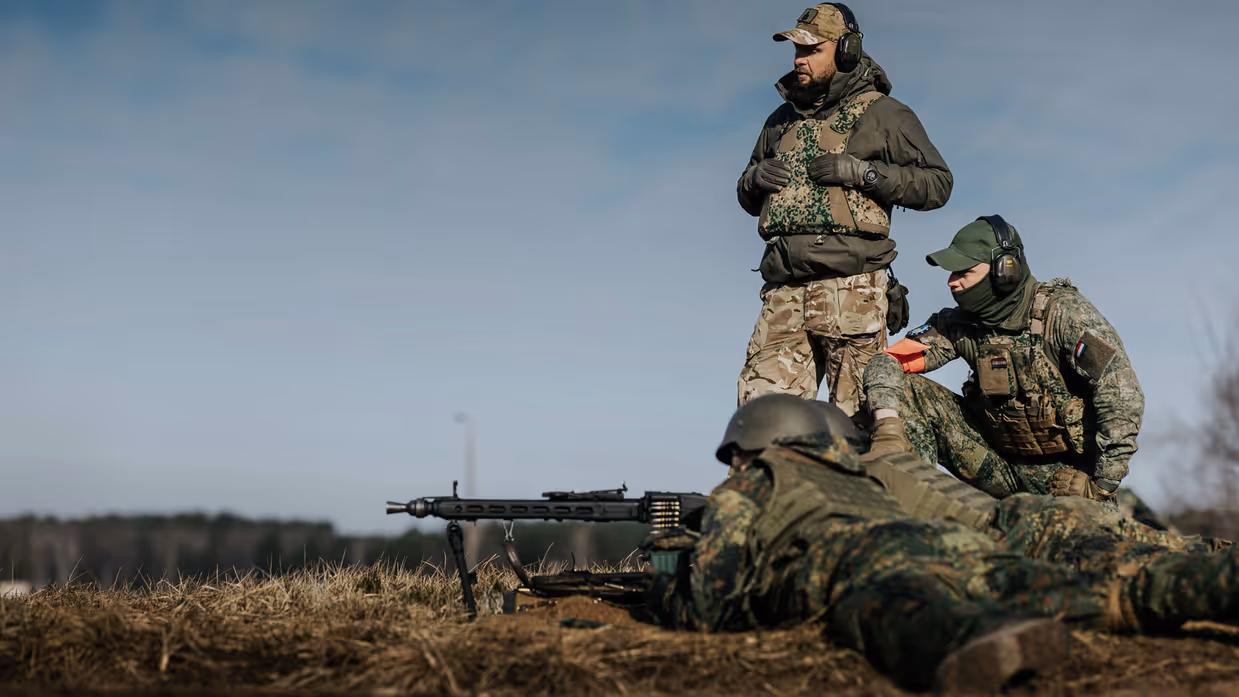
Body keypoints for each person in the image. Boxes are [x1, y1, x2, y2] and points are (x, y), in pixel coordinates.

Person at [647, 396, 1237, 692]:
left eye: (737, 459)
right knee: (1111, 593)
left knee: (899, 611)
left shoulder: (745, 492)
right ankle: (1214, 585)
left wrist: (666, 579)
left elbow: (712, 611)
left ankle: (976, 635)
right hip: (946, 540)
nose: (734, 470)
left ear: (751, 450)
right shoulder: (856, 473)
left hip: (856, 564)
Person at [736, 3, 953, 417]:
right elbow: (746, 196)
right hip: (783, 292)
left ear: (847, 50)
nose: (799, 59)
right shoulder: (780, 120)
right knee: (763, 424)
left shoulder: (885, 114)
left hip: (851, 292)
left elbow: (938, 184)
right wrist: (754, 180)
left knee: (858, 425)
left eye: (811, 50)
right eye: (796, 50)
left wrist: (865, 174)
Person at [862, 215, 1144, 508]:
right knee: (906, 391)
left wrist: (1102, 485)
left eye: (963, 271)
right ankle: (910, 514)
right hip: (997, 465)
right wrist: (888, 432)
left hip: (1066, 482)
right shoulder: (960, 324)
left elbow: (1122, 397)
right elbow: (889, 361)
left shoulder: (1064, 314)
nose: (952, 282)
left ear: (1004, 270)